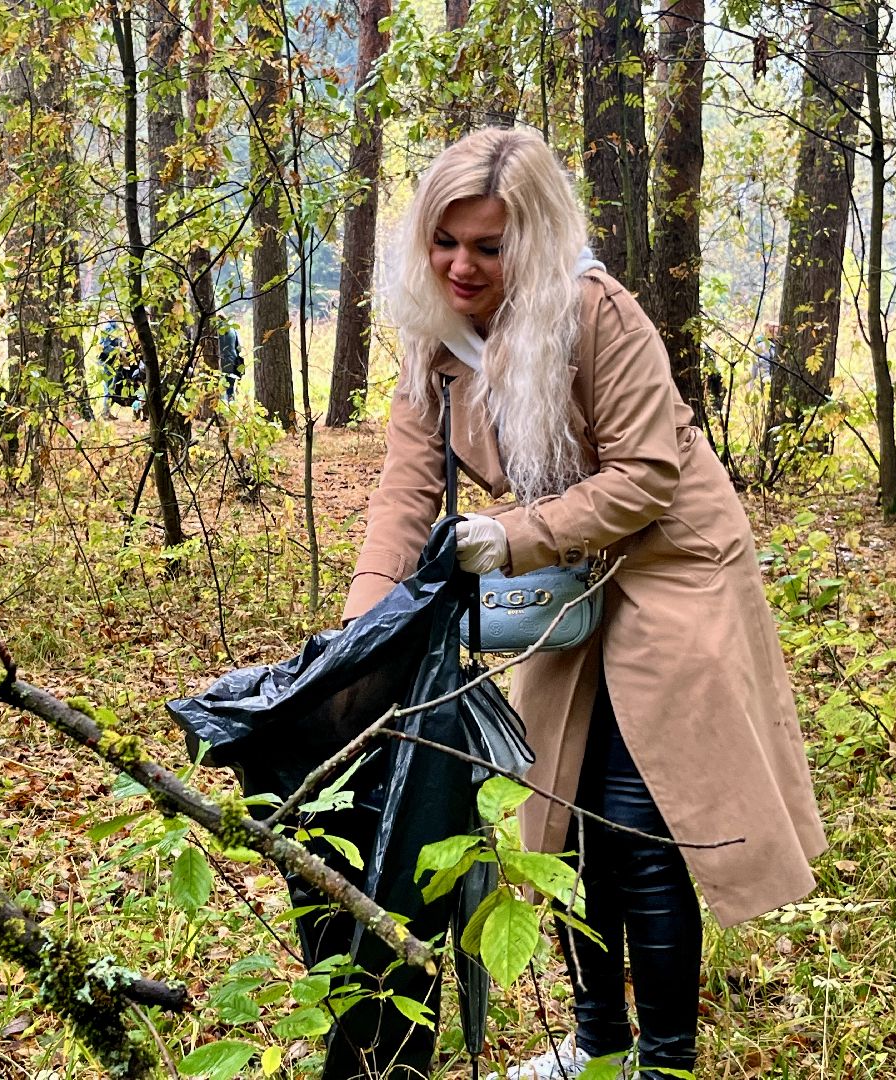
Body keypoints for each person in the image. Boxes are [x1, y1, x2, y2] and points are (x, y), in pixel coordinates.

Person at [341, 128, 826, 1079]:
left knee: (634, 819)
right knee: (557, 812)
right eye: (446, 242)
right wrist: (363, 630)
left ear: (532, 237)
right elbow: (405, 494)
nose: (462, 265)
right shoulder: (435, 337)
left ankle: (666, 1064)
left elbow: (646, 476)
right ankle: (597, 1043)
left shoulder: (596, 312)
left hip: (669, 560)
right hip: (567, 573)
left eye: (488, 246)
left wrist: (508, 537)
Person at [217, 322, 243, 402]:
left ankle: (221, 411)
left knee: (219, 391)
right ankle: (232, 409)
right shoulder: (233, 329)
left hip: (220, 363)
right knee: (230, 391)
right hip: (233, 362)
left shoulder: (215, 330)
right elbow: (239, 348)